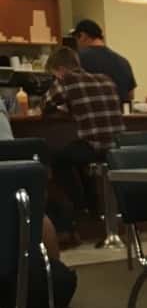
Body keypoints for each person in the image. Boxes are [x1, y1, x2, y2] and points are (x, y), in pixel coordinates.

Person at [43, 45, 122, 219]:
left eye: (54, 74)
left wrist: (63, 108)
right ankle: (92, 208)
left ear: (61, 70)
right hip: (118, 146)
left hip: (94, 146)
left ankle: (80, 208)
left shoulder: (66, 80)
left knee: (57, 158)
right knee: (78, 156)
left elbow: (46, 104)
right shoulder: (106, 79)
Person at [70, 19, 136, 105]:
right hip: (119, 112)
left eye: (76, 39)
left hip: (90, 111)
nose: (77, 44)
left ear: (82, 36)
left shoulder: (77, 59)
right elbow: (131, 95)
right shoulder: (123, 62)